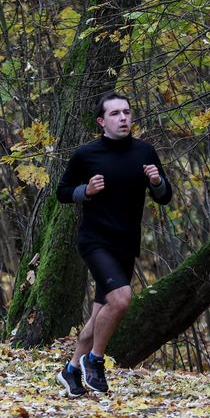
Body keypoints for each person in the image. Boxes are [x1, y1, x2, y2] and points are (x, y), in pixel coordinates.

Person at [55, 92, 172, 396]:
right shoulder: (86, 154)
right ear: (101, 121)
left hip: (126, 245)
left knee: (99, 316)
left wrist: (157, 182)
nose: (123, 118)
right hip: (96, 241)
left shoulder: (145, 152)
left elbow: (165, 196)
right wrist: (87, 190)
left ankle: (70, 371)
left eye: (127, 112)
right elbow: (63, 191)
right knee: (120, 299)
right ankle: (94, 361)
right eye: (116, 113)